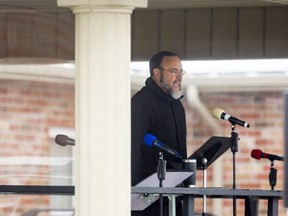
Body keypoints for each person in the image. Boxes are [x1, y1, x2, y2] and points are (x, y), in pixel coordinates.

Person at [131, 51, 187, 216]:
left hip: (173, 195)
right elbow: (131, 150)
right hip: (146, 198)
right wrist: (133, 192)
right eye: (173, 71)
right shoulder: (141, 103)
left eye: (181, 71)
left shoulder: (177, 105)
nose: (179, 77)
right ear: (157, 73)